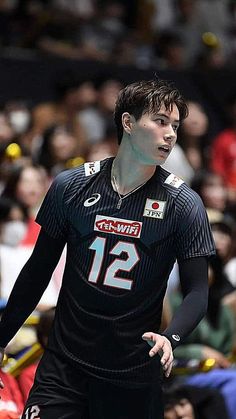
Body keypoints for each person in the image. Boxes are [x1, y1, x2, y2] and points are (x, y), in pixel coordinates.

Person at [0, 78, 215, 419]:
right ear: (128, 123)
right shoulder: (70, 186)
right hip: (64, 368)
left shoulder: (184, 204)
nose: (172, 134)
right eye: (160, 121)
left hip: (132, 375)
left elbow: (198, 291)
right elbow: (37, 270)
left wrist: (170, 338)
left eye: (175, 125)